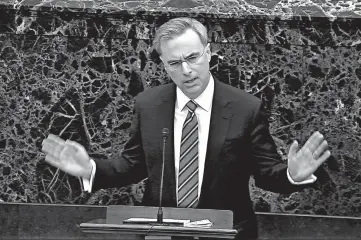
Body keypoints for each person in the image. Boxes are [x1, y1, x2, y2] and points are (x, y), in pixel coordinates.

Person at [42, 17, 331, 240]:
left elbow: (267, 174)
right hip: (161, 233)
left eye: (193, 58)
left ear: (208, 52)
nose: (187, 70)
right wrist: (90, 169)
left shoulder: (246, 107)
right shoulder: (149, 104)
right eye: (175, 63)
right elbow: (134, 166)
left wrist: (292, 175)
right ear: (164, 65)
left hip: (227, 233)